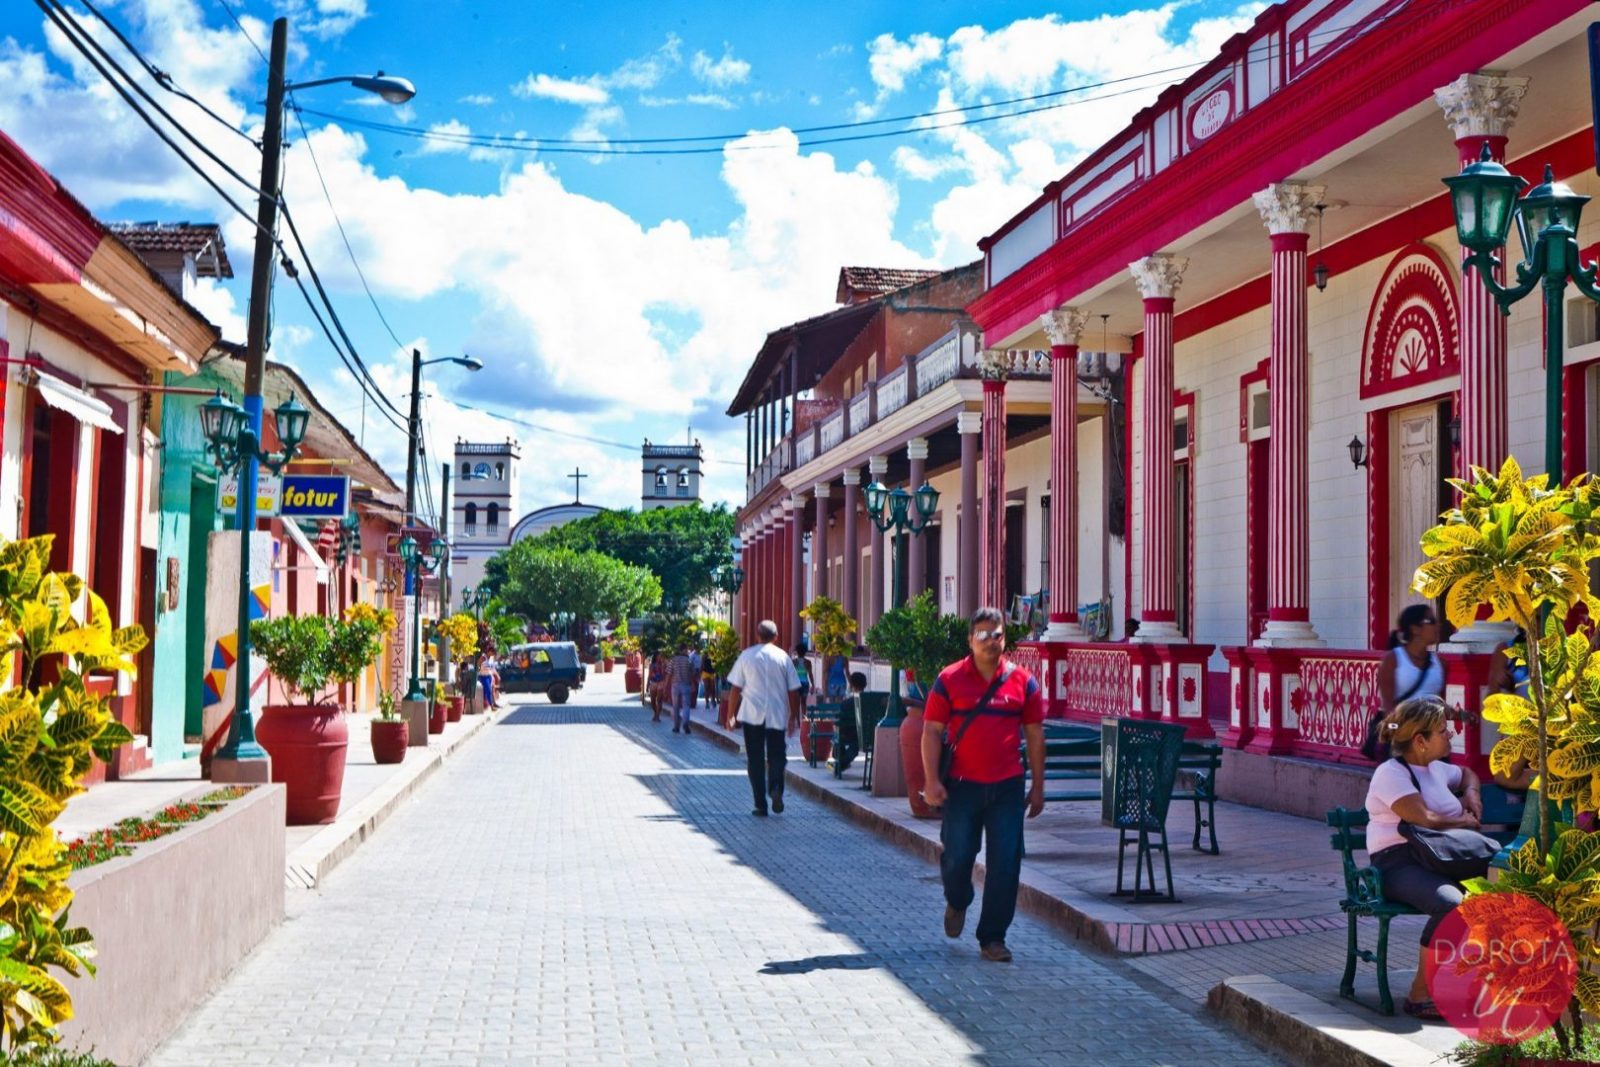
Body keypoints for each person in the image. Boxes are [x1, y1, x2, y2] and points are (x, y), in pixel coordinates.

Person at [920, 607, 1046, 963]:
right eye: (982, 634)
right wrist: (931, 780)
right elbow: (931, 730)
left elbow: (1035, 734)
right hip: (961, 786)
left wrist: (1038, 785)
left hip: (1006, 786)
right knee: (958, 856)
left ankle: (993, 937)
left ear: (1005, 638)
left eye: (997, 635)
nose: (990, 641)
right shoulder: (949, 679)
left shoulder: (1024, 681)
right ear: (970, 640)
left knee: (1005, 862)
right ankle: (957, 900)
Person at [1364, 696, 1485, 1020]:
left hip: (1440, 858)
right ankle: (1420, 992)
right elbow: (1424, 818)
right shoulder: (1391, 773)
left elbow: (1468, 774)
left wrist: (1471, 795)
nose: (1450, 736)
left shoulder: (1435, 769)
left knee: (1504, 892)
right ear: (1420, 741)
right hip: (1397, 862)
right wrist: (1465, 821)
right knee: (1451, 905)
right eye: (1443, 731)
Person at [725, 620, 802, 817]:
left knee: (755, 760)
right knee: (777, 755)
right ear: (776, 637)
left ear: (757, 635)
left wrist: (730, 715)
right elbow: (794, 690)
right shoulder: (783, 658)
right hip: (776, 715)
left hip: (752, 715)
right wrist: (794, 715)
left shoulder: (747, 656)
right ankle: (776, 787)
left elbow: (735, 688)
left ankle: (760, 804)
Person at [1365, 605, 1445, 760]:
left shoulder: (1440, 663)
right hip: (1404, 740)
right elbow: (1389, 708)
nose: (1438, 625)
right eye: (1431, 621)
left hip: (1433, 740)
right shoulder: (1393, 660)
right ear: (1415, 629)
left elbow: (1442, 705)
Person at [828, 670, 867, 773]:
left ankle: (839, 765)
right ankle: (841, 764)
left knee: (837, 738)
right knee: (853, 744)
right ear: (865, 685)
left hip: (848, 734)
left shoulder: (846, 703)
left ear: (851, 684)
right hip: (866, 735)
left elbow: (839, 721)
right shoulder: (869, 702)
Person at [668, 643, 697, 733]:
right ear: (683, 650)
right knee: (686, 706)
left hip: (675, 685)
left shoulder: (673, 660)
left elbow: (669, 673)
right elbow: (692, 673)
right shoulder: (688, 660)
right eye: (686, 649)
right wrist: (693, 684)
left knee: (675, 706)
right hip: (686, 684)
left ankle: (676, 726)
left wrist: (666, 685)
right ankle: (685, 724)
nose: (688, 651)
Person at [647, 652, 668, 723]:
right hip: (653, 683)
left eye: (661, 656)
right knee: (652, 701)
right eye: (659, 656)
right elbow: (649, 675)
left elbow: (665, 674)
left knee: (659, 700)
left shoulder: (663, 665)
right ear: (655, 657)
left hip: (661, 683)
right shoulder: (651, 665)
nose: (660, 657)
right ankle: (656, 713)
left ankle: (657, 716)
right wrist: (647, 685)